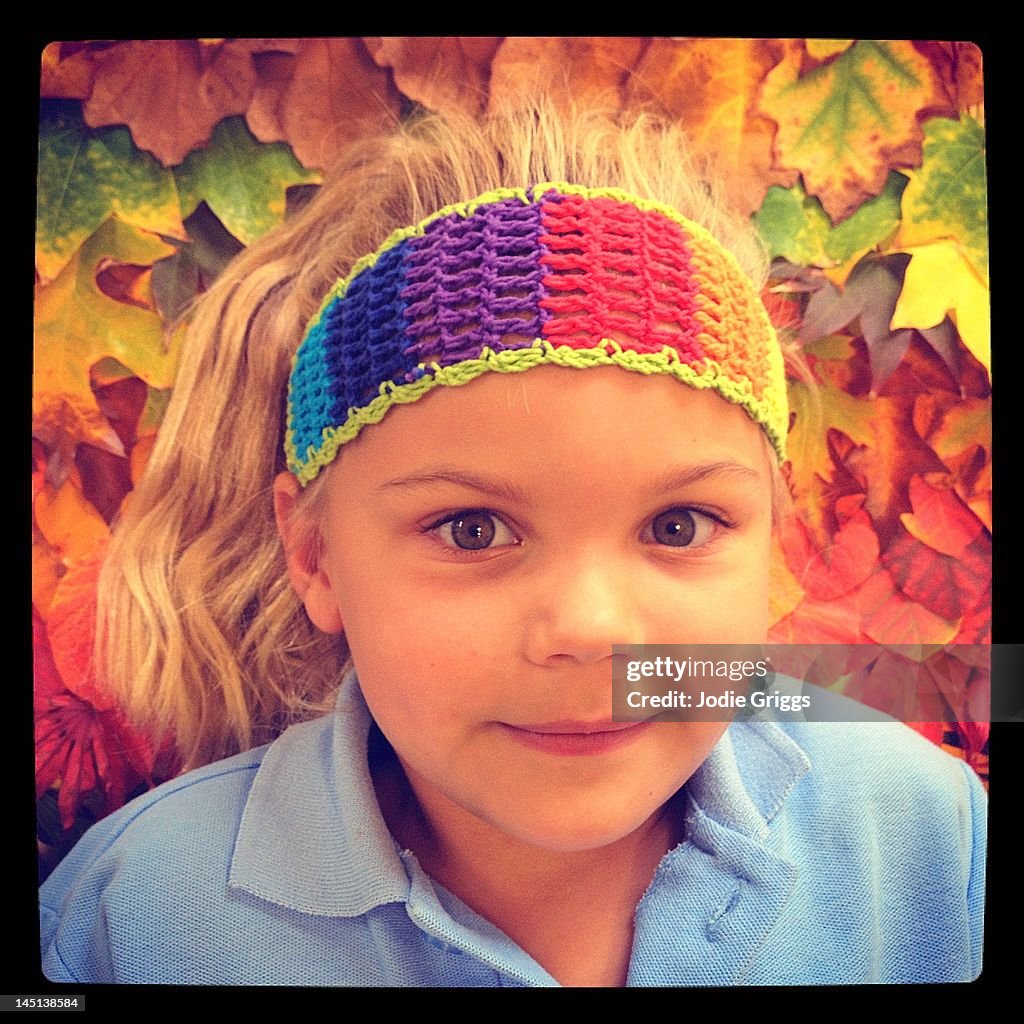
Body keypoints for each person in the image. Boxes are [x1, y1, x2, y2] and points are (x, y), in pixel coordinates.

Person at [39, 104, 986, 987]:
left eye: (679, 526)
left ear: (771, 538)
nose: (590, 630)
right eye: (472, 529)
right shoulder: (131, 916)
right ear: (315, 557)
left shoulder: (933, 839)